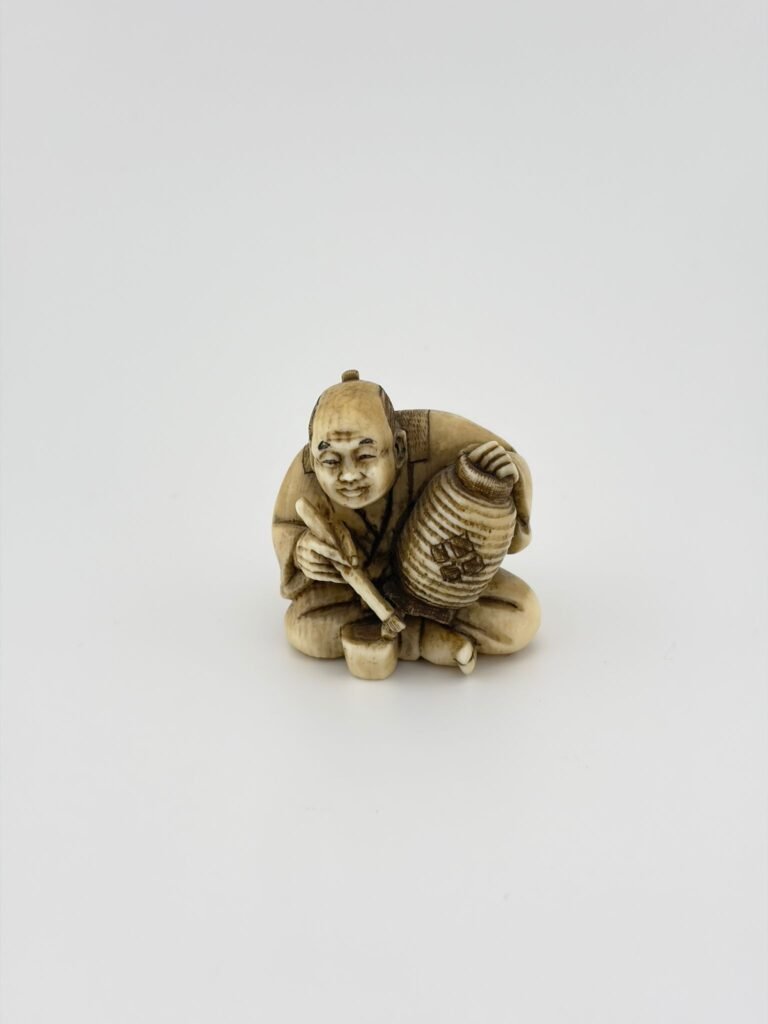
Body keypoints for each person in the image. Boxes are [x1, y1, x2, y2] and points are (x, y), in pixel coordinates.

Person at [272, 370, 540, 674]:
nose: (348, 475)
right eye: (331, 461)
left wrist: (504, 472)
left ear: (399, 447)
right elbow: (287, 528)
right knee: (303, 626)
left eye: (365, 455)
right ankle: (422, 639)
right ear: (313, 456)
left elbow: (508, 460)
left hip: (440, 584)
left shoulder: (433, 436)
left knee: (521, 614)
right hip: (360, 592)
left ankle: (396, 636)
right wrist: (302, 551)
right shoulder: (305, 472)